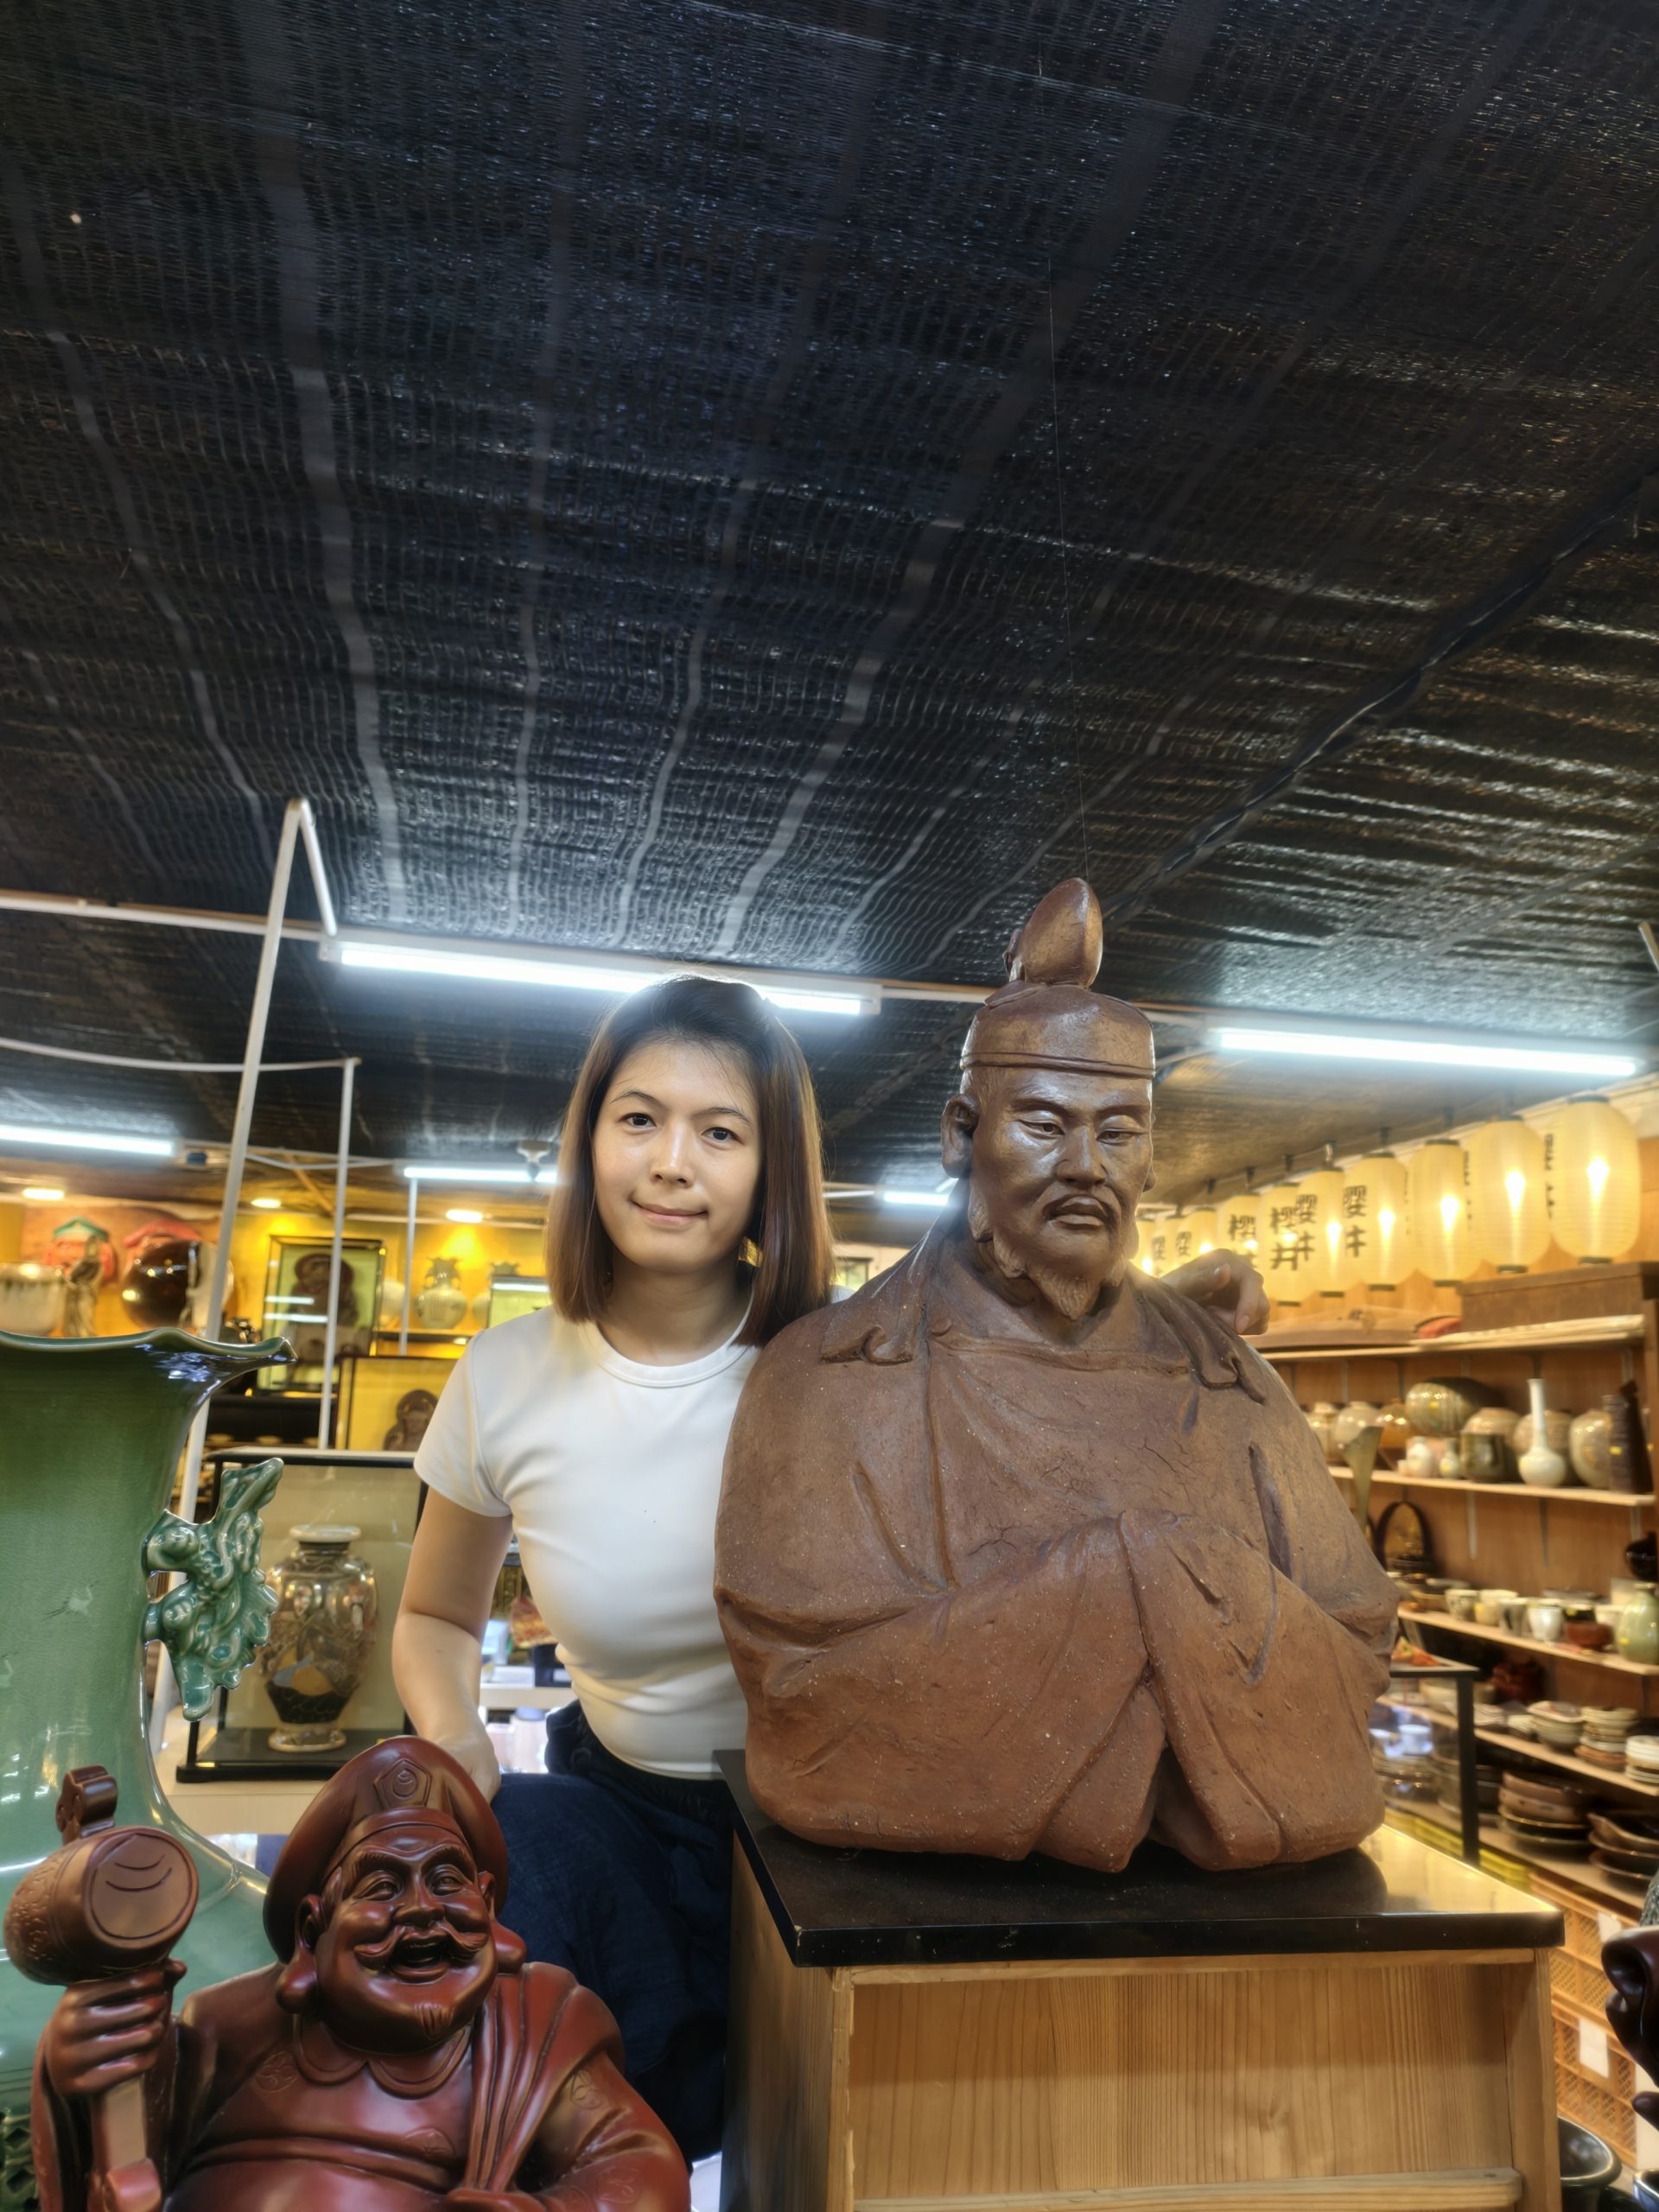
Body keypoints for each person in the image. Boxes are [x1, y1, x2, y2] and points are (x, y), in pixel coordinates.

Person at [394, 971, 1271, 2159]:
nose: (671, 1163)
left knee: (841, 2139)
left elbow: (1032, 1302)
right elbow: (437, 1616)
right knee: (532, 2054)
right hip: (616, 1814)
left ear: (770, 1168)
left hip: (846, 1829)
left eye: (720, 1132)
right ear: (589, 1136)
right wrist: (452, 1738)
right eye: (639, 1119)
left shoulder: (852, 1362)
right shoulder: (503, 1377)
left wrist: (1174, 1304)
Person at [716, 880, 1396, 1876]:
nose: (1087, 1164)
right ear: (962, 1135)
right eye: (1043, 1123)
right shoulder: (824, 1375)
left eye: (1119, 1132)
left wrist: (1097, 1618)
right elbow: (802, 1699)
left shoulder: (1231, 1384)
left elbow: (1354, 1642)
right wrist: (1143, 1579)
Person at [33, 1738, 689, 2212]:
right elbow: (123, 2160)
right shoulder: (225, 2029)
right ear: (313, 1929)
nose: (423, 1910)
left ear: (489, 1910)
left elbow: (640, 2165)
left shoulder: (536, 2028)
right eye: (381, 1887)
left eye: (447, 1881)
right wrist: (83, 2069)